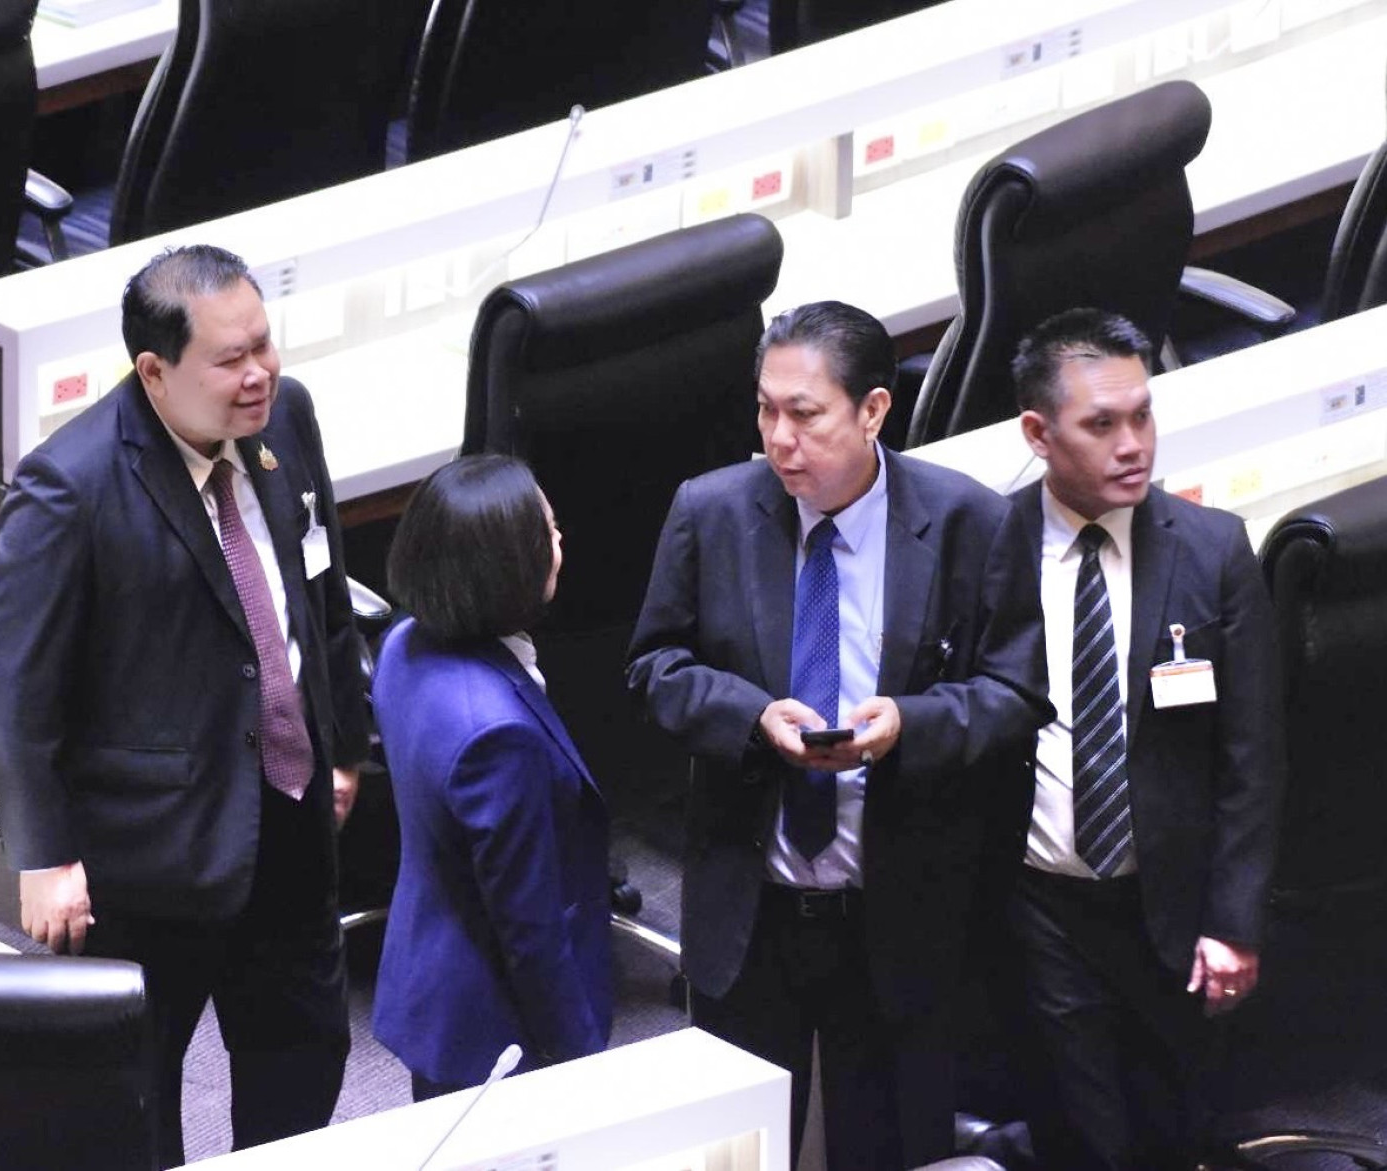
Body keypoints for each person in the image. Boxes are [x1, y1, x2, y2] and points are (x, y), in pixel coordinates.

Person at [626, 300, 1051, 1170]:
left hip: (895, 912)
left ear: (873, 410)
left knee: (888, 1146)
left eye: (805, 414)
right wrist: (751, 716)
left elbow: (1016, 692)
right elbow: (653, 668)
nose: (779, 439)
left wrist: (911, 724)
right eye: (765, 409)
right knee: (739, 1152)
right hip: (754, 909)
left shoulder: (969, 521)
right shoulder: (710, 511)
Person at [0, 244, 370, 1167]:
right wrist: (43, 855)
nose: (259, 372)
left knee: (306, 1057)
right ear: (154, 372)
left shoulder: (288, 417)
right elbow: (18, 687)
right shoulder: (68, 485)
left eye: (263, 344)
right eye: (231, 359)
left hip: (289, 816)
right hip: (151, 851)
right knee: (133, 1096)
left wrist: (344, 745)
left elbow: (320, 590)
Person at [1006, 308, 1285, 1170]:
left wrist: (1234, 921)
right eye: (1101, 425)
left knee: (1170, 1129)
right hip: (1039, 901)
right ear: (1039, 434)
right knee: (1084, 1135)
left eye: (1142, 415)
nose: (1133, 445)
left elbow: (1252, 756)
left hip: (1169, 901)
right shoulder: (985, 546)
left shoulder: (1212, 549)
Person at [370, 454, 612, 1100]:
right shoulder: (498, 736)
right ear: (507, 566)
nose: (559, 540)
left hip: (432, 977)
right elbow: (529, 926)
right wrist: (580, 1059)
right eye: (547, 531)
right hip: (495, 1026)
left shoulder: (403, 643)